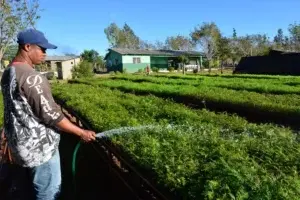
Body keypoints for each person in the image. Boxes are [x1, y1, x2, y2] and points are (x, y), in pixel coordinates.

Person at [0, 28, 96, 200]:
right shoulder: (32, 77)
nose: (45, 53)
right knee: (47, 192)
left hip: (20, 145)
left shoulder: (8, 73)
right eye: (42, 49)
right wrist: (81, 132)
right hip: (39, 149)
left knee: (27, 189)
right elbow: (51, 115)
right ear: (27, 47)